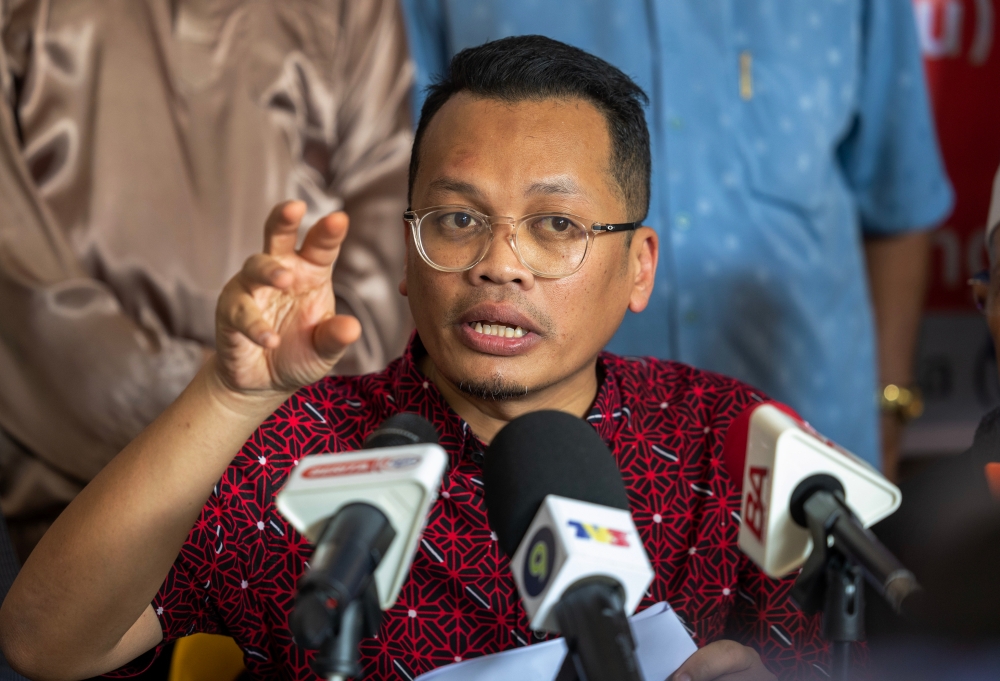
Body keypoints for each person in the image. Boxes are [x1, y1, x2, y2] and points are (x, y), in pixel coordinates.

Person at [0, 37, 839, 681]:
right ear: (405, 259)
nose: (500, 264)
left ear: (639, 266)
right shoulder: (307, 450)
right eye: (458, 219)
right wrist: (226, 395)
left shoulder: (732, 440)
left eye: (556, 225)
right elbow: (45, 642)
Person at [401, 0, 953, 478]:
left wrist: (888, 406)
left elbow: (898, 200)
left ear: (644, 263)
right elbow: (429, 193)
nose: (501, 263)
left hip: (814, 437)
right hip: (533, 467)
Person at [0, 0, 414, 561]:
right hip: (70, 469)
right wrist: (215, 411)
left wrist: (301, 416)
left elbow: (385, 205)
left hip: (304, 471)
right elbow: (17, 275)